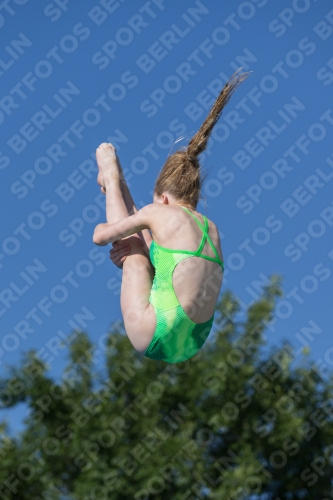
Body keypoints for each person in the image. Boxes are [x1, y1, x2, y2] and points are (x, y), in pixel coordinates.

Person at [93, 70, 249, 363]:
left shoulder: (159, 213)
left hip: (153, 332)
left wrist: (111, 202)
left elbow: (101, 237)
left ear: (164, 199)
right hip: (190, 342)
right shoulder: (210, 229)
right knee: (140, 249)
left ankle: (112, 176)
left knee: (134, 253)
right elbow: (157, 249)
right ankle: (119, 181)